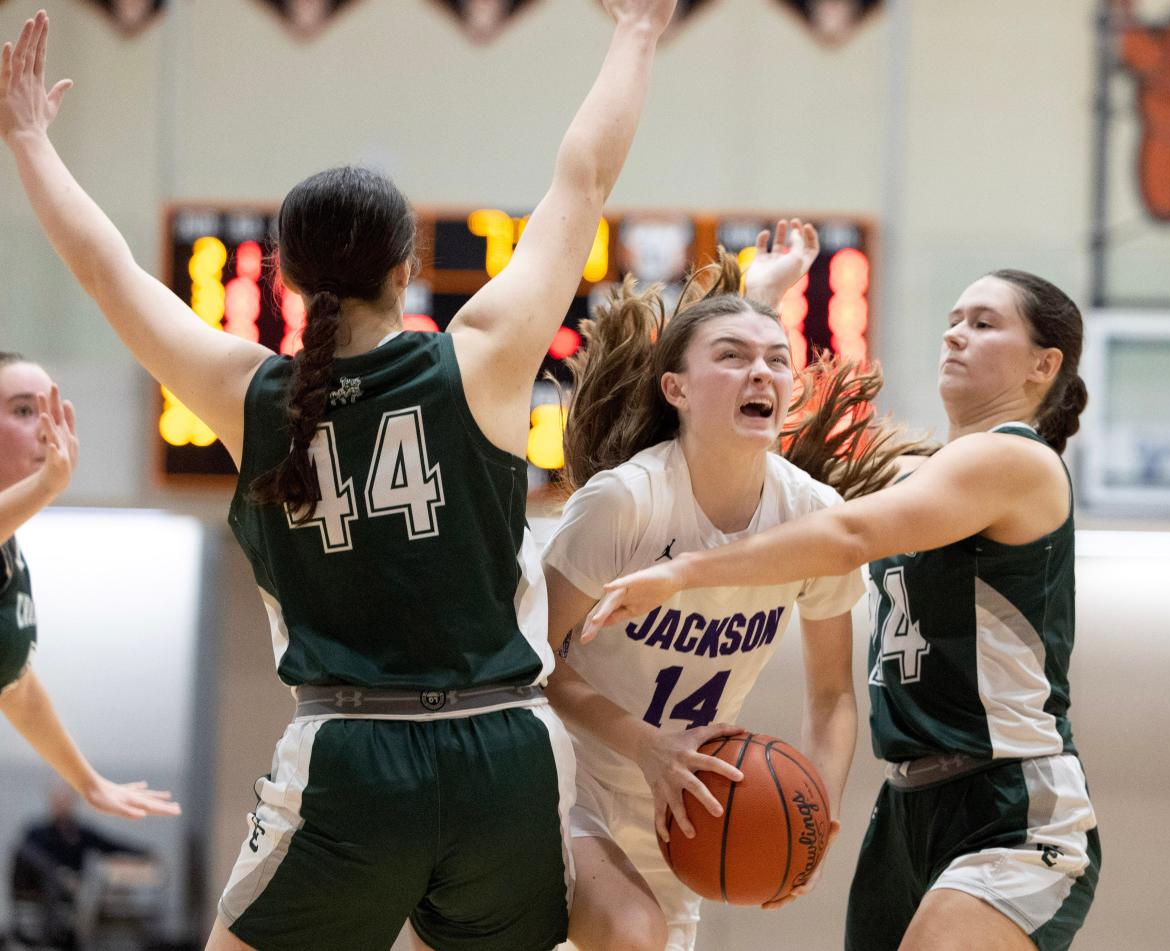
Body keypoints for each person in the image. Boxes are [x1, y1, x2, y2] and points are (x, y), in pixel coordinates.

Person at [1, 3, 675, 949]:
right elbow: (584, 176)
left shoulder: (246, 392)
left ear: (284, 277)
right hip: (504, 750)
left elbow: (109, 272)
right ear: (407, 267)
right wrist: (635, 34)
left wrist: (28, 141)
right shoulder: (479, 357)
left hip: (352, 755)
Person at [584, 269, 1102, 951]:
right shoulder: (920, 474)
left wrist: (682, 572)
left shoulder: (1017, 461)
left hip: (1011, 800)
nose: (955, 331)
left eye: (983, 322)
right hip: (908, 803)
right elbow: (758, 475)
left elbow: (843, 536)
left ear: (1045, 363)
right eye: (954, 316)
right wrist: (759, 309)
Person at [542, 226, 920, 951]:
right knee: (631, 931)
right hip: (570, 778)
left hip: (693, 803)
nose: (763, 373)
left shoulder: (812, 515)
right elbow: (529, 664)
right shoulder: (627, 503)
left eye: (779, 360)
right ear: (675, 389)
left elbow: (834, 698)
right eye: (735, 357)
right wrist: (646, 747)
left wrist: (818, 812)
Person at [0, 351, 182, 822]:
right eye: (23, 410)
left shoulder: (11, 548)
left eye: (50, 412)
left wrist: (87, 780)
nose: (46, 429)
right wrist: (45, 487)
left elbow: (15, 686)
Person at [10, 784, 154, 951]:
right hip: (38, 884)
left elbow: (110, 844)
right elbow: (25, 855)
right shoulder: (37, 831)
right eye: (58, 800)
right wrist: (57, 874)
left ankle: (56, 930)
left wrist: (145, 852)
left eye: (64, 800)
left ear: (72, 803)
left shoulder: (80, 832)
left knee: (39, 863)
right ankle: (58, 877)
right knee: (26, 851)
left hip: (67, 890)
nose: (61, 804)